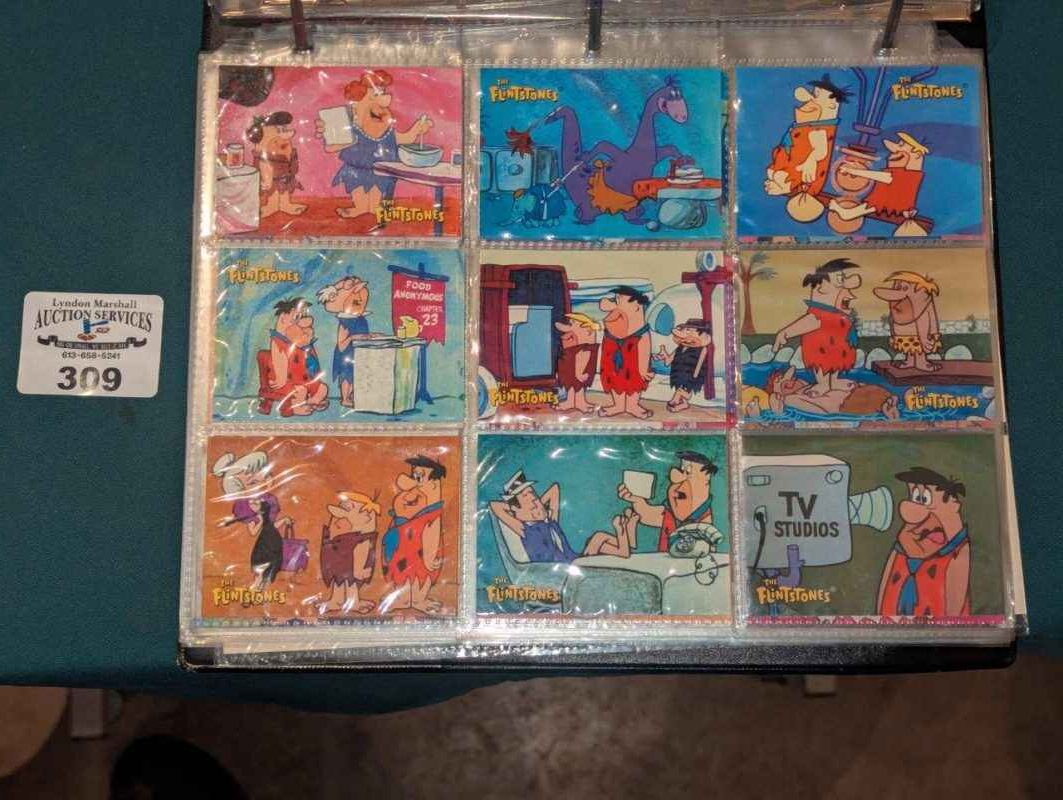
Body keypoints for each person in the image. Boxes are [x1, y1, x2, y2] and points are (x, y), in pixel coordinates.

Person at [317, 70, 434, 223]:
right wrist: (333, 135)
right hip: (356, 170)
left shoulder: (387, 130)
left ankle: (373, 208)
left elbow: (404, 139)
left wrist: (417, 129)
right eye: (376, 94)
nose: (382, 104)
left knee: (375, 199)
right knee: (358, 191)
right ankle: (360, 208)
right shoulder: (350, 128)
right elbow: (330, 148)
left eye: (382, 93)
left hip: (380, 172)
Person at [877, 467, 971, 617]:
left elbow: (954, 611)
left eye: (925, 499)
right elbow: (883, 593)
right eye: (915, 496)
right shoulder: (901, 548)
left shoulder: (957, 552)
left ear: (953, 505)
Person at [490, 471, 639, 562]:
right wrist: (516, 508)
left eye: (534, 494)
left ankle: (627, 542)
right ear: (516, 509)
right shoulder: (523, 528)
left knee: (601, 541)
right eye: (526, 496)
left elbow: (554, 489)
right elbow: (495, 506)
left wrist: (536, 504)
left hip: (576, 560)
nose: (534, 500)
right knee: (599, 538)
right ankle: (623, 536)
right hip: (563, 569)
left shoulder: (551, 521)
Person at [772, 258, 862, 396]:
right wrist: (784, 333)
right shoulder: (819, 314)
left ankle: (833, 381)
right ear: (823, 288)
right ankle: (823, 384)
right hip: (821, 347)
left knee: (836, 362)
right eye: (840, 279)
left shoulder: (838, 314)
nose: (846, 285)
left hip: (839, 346)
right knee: (822, 365)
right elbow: (808, 322)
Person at [829, 133, 931, 236]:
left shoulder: (909, 174)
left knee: (869, 207)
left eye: (901, 145)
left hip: (895, 200)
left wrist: (853, 171)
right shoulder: (906, 171)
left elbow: (886, 177)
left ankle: (845, 213)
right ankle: (846, 213)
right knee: (868, 207)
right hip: (890, 195)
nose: (895, 150)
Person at [381, 456, 447, 614]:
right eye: (413, 475)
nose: (411, 481)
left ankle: (418, 599)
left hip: (420, 551)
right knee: (401, 574)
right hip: (401, 548)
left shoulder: (430, 514)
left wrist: (429, 558)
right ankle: (403, 599)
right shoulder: (415, 498)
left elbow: (432, 535)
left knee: (420, 574)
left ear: (433, 484)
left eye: (419, 477)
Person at [618, 451, 716, 553]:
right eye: (681, 471)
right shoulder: (671, 512)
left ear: (706, 483)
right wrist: (635, 499)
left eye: (688, 473)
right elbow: (646, 514)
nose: (678, 487)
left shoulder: (704, 520)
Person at [598, 286, 653, 419]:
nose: (615, 302)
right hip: (613, 357)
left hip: (633, 359)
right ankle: (619, 405)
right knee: (614, 379)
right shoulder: (615, 319)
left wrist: (643, 369)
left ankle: (632, 405)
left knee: (635, 380)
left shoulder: (641, 332)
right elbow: (603, 305)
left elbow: (644, 348)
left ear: (636, 306)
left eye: (619, 299)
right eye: (615, 299)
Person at [319, 491, 379, 614]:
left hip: (351, 565)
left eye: (347, 507)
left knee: (351, 582)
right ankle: (337, 601)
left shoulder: (360, 538)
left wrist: (359, 569)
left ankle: (353, 602)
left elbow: (362, 552)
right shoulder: (337, 535)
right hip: (339, 562)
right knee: (339, 581)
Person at [317, 276, 372, 409]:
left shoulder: (361, 319)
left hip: (358, 352)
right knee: (347, 376)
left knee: (356, 374)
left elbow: (363, 335)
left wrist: (371, 336)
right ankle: (345, 398)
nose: (361, 302)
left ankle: (352, 395)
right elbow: (341, 345)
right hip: (346, 353)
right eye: (357, 301)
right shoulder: (345, 322)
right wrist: (354, 337)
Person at [267, 298, 328, 416]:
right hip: (287, 381)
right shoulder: (278, 341)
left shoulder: (299, 339)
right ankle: (295, 408)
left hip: (305, 380)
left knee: (323, 388)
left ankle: (311, 401)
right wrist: (281, 379)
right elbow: (280, 361)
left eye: (303, 316)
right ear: (283, 318)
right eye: (296, 317)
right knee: (301, 391)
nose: (301, 321)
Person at [873, 270, 942, 372]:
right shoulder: (901, 304)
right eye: (898, 287)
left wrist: (923, 339)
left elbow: (924, 321)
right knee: (911, 349)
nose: (900, 291)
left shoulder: (922, 302)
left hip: (921, 335)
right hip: (906, 335)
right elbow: (893, 318)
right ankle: (910, 361)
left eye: (905, 288)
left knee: (919, 350)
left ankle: (921, 362)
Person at [247, 110, 306, 219]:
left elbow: (291, 160)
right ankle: (272, 206)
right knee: (273, 191)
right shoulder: (265, 156)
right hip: (273, 179)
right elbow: (264, 167)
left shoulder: (286, 150)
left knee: (284, 190)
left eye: (283, 129)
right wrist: (266, 180)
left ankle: (285, 205)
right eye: (278, 131)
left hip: (285, 177)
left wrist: (291, 167)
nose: (284, 138)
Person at [655, 318, 712, 413]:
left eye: (692, 331)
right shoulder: (679, 348)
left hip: (691, 376)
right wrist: (663, 354)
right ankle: (683, 404)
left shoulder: (702, 349)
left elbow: (700, 364)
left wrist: (694, 378)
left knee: (681, 392)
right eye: (687, 330)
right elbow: (668, 362)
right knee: (679, 391)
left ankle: (675, 402)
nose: (688, 333)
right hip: (678, 374)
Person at [554, 313, 600, 413]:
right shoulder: (573, 347)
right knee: (570, 385)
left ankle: (580, 402)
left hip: (579, 371)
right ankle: (570, 402)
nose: (570, 326)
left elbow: (584, 358)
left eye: (573, 323)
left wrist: (580, 373)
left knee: (579, 386)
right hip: (570, 368)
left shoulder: (585, 347)